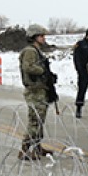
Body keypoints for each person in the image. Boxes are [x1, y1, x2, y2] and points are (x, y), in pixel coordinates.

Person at [18, 24, 57, 160]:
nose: (43, 38)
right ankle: (24, 149)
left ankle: (37, 147)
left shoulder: (36, 50)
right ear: (34, 37)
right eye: (41, 36)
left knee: (40, 121)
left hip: (41, 89)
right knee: (35, 121)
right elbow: (28, 67)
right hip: (35, 90)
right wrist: (43, 72)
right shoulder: (30, 51)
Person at [72, 28, 88, 118]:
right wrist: (80, 71)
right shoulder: (80, 44)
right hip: (83, 72)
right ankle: (79, 109)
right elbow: (77, 59)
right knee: (81, 91)